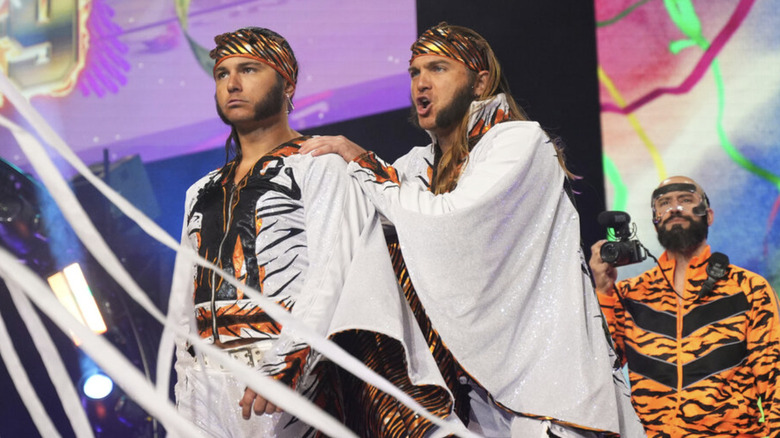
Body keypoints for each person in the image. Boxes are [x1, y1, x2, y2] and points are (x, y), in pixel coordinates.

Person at [301, 22, 642, 437]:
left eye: (438, 68)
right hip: (470, 397)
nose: (421, 83)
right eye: (414, 72)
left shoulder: (519, 142)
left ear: (480, 82)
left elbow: (447, 220)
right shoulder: (415, 166)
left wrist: (361, 161)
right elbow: (371, 222)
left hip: (544, 389)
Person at [169, 27, 461, 437]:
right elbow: (184, 306)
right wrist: (185, 397)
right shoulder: (199, 191)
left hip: (290, 377)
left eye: (249, 70)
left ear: (286, 83)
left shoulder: (318, 164)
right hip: (208, 385)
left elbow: (334, 270)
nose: (232, 84)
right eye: (222, 74)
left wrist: (287, 361)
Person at [589, 176, 780, 437]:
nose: (675, 208)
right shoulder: (629, 294)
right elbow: (600, 369)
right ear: (655, 221)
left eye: (686, 200)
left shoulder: (747, 287)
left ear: (708, 215)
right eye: (664, 203)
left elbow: (774, 376)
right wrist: (603, 291)